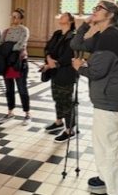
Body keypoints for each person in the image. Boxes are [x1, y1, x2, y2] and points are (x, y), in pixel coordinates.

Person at [71, 0, 118, 195]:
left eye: (99, 8)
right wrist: (86, 24)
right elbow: (76, 43)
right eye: (94, 8)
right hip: (106, 96)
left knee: (109, 147)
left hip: (110, 97)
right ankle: (106, 179)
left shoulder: (111, 37)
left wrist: (80, 67)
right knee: (102, 143)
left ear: (111, 14)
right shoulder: (102, 35)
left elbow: (97, 71)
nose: (95, 10)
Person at [42, 12, 77, 143]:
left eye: (64, 16)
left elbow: (69, 55)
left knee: (67, 101)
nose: (61, 17)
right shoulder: (57, 34)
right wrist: (49, 58)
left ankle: (70, 130)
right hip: (55, 71)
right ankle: (58, 122)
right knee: (57, 97)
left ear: (70, 21)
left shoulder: (73, 36)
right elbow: (48, 47)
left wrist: (55, 63)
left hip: (66, 72)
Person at [0, 8, 31, 125]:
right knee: (9, 89)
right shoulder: (6, 31)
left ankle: (27, 113)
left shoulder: (24, 30)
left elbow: (20, 45)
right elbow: (0, 45)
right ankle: (10, 112)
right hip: (7, 63)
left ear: (21, 19)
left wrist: (8, 47)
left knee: (22, 88)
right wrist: (9, 47)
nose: (13, 18)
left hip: (18, 63)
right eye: (12, 16)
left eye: (16, 16)